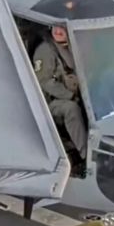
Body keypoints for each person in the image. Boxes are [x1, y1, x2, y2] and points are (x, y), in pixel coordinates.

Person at [33, 24, 87, 161]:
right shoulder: (45, 50)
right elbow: (44, 82)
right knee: (71, 109)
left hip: (77, 93)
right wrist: (70, 96)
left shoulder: (74, 46)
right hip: (51, 102)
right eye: (54, 27)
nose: (57, 31)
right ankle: (86, 154)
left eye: (62, 27)